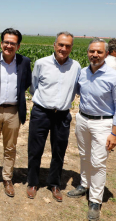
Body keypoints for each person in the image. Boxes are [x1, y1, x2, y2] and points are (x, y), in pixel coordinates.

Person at [67, 38, 116, 221]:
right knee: (84, 155)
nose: (95, 55)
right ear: (88, 52)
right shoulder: (83, 73)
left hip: (103, 123)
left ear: (106, 54)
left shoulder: (115, 77)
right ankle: (84, 184)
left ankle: (95, 200)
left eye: (99, 52)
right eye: (92, 51)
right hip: (83, 119)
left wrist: (115, 133)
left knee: (98, 162)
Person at [26, 31, 81, 202]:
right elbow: (33, 87)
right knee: (35, 150)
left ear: (71, 48)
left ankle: (54, 183)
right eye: (61, 45)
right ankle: (33, 182)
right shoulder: (41, 63)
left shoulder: (76, 66)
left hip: (62, 115)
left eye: (68, 46)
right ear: (54, 45)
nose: (63, 48)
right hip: (41, 112)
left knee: (59, 151)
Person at [0, 28, 31, 197]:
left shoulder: (24, 62)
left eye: (13, 43)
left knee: (10, 148)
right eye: (6, 42)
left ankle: (7, 179)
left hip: (13, 111)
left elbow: (26, 84)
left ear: (18, 45)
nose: (9, 46)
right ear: (1, 43)